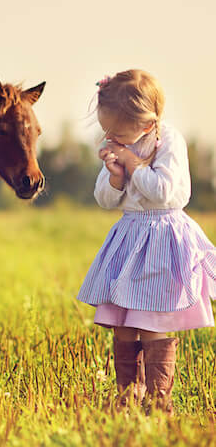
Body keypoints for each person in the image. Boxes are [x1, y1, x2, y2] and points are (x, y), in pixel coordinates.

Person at [77, 69, 216, 412]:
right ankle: (128, 394)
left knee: (152, 323)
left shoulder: (168, 141)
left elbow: (168, 193)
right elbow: (105, 201)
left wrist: (135, 165)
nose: (113, 139)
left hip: (161, 240)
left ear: (147, 122)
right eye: (108, 132)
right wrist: (114, 177)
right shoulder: (120, 145)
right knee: (124, 324)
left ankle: (158, 399)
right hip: (129, 237)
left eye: (119, 132)